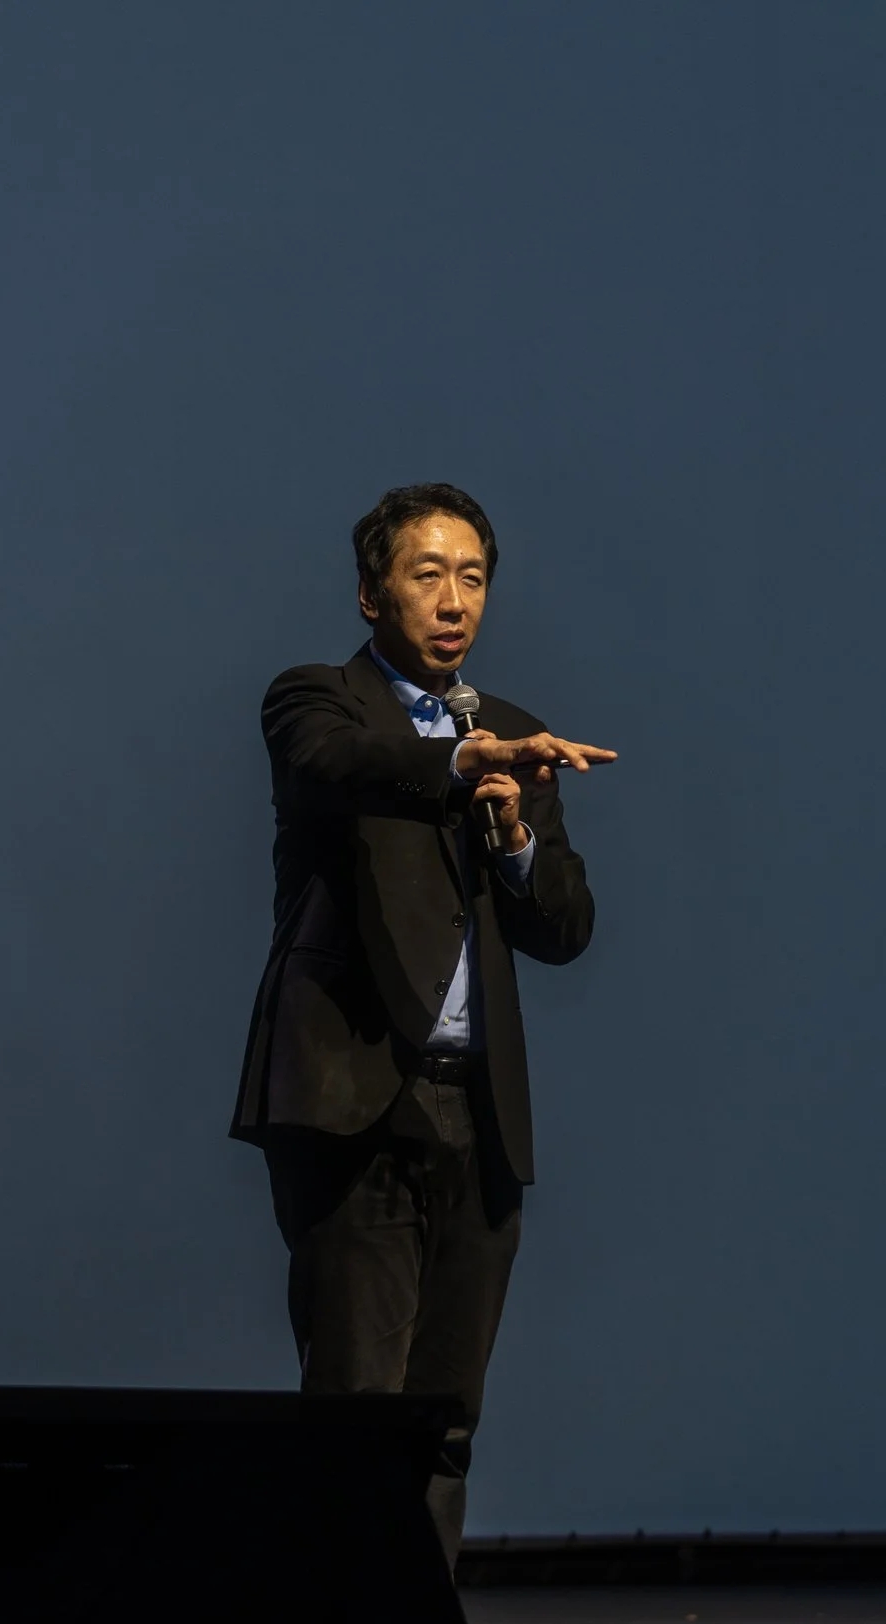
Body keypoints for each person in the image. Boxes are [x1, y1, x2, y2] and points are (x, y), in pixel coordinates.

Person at [231, 482, 614, 1566]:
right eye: (427, 573)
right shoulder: (317, 703)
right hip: (353, 1106)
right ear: (370, 593)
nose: (454, 599)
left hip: (475, 1115)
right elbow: (335, 769)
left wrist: (511, 834)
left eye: (474, 576)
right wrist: (458, 762)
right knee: (354, 1417)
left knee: (446, 1424)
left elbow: (563, 928)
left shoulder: (516, 738)